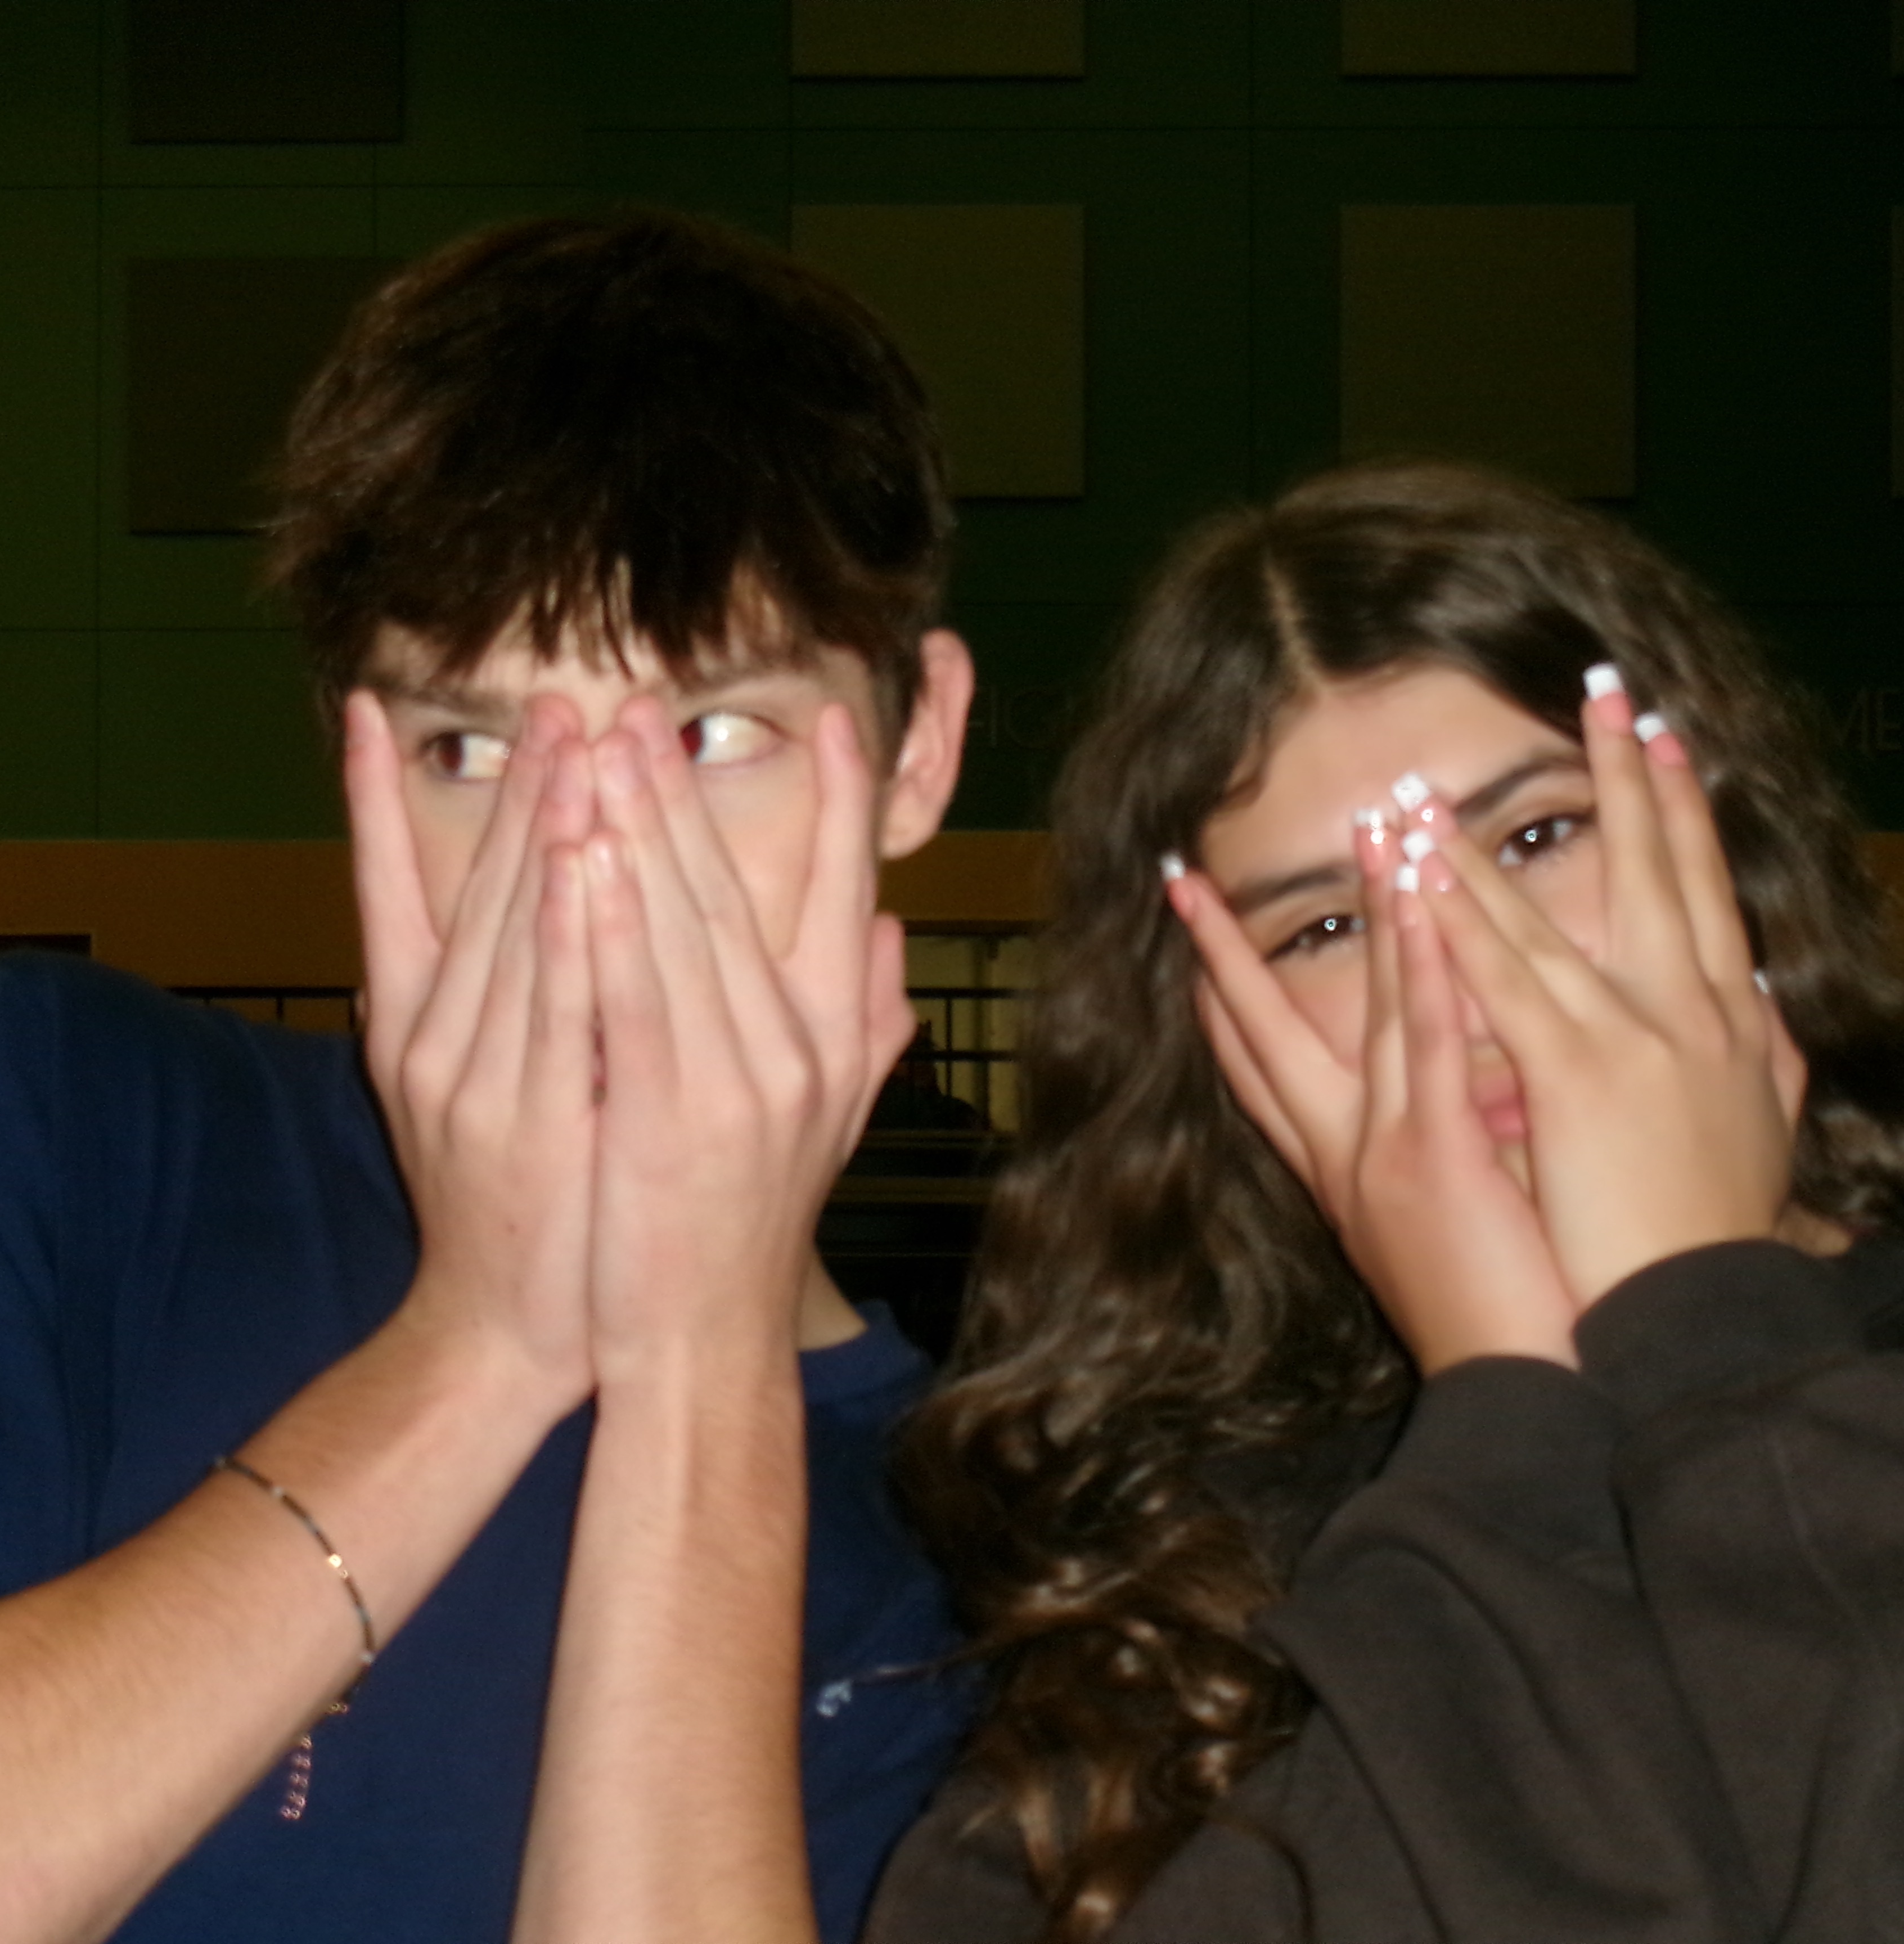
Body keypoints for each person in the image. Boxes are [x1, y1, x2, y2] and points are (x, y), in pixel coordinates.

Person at [512, 460, 1904, 1942]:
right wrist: (1508, 1407)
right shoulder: (1175, 1542)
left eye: (1535, 838)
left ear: (1722, 839)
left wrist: (1703, 1313)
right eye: (1327, 924)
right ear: (1218, 1041)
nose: (1456, 978)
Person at [0, 211, 974, 1944]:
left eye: (710, 735)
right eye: (472, 748)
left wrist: (699, 1358)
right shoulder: (71, 1124)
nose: (589, 858)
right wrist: (483, 1343)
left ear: (917, 750)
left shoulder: (989, 1568)